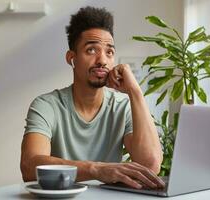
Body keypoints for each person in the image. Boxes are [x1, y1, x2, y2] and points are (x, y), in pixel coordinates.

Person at [20, 6, 164, 189]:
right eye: (91, 50)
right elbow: (30, 166)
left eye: (109, 52)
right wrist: (96, 169)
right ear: (72, 58)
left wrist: (135, 92)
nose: (102, 60)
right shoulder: (46, 105)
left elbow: (150, 165)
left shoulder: (123, 106)